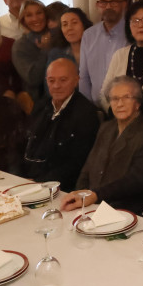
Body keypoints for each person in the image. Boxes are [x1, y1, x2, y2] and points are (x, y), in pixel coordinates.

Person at [61, 76, 143, 214]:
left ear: (138, 103)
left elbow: (135, 184)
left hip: (122, 211)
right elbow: (87, 169)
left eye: (126, 97)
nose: (119, 104)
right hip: (91, 205)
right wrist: (80, 196)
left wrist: (94, 198)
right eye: (115, 99)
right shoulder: (106, 127)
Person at [23, 58, 101, 192]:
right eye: (51, 80)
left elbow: (77, 163)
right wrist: (19, 178)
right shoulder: (41, 106)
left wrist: (39, 183)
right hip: (26, 181)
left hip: (59, 187)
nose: (56, 86)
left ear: (76, 81)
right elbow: (21, 144)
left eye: (63, 80)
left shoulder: (86, 114)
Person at [100, 0, 143, 111]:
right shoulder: (119, 55)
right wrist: (114, 113)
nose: (140, 25)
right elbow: (105, 93)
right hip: (120, 120)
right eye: (135, 20)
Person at [78, 0, 128, 108]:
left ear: (124, 4)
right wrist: (88, 108)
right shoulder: (89, 35)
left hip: (124, 108)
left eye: (114, 2)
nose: (108, 7)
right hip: (94, 109)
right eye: (103, 2)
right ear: (97, 5)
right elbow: (83, 77)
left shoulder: (132, 33)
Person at [12, 0, 53, 102]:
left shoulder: (58, 37)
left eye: (39, 13)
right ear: (23, 20)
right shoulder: (20, 46)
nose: (35, 18)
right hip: (40, 104)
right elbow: (33, 78)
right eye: (29, 15)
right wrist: (45, 50)